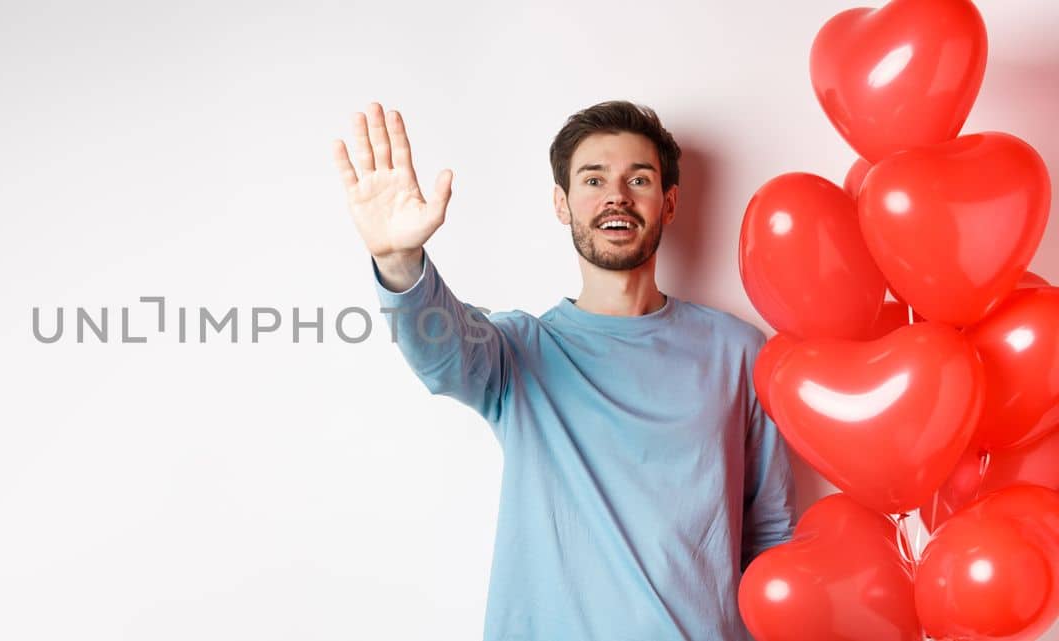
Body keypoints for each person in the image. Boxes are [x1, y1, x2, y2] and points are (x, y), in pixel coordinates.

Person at [329, 100, 795, 640]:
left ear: (669, 204)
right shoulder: (520, 351)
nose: (616, 195)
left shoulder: (738, 350)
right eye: (593, 179)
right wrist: (398, 261)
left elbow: (772, 535)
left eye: (638, 179)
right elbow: (441, 353)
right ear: (562, 202)